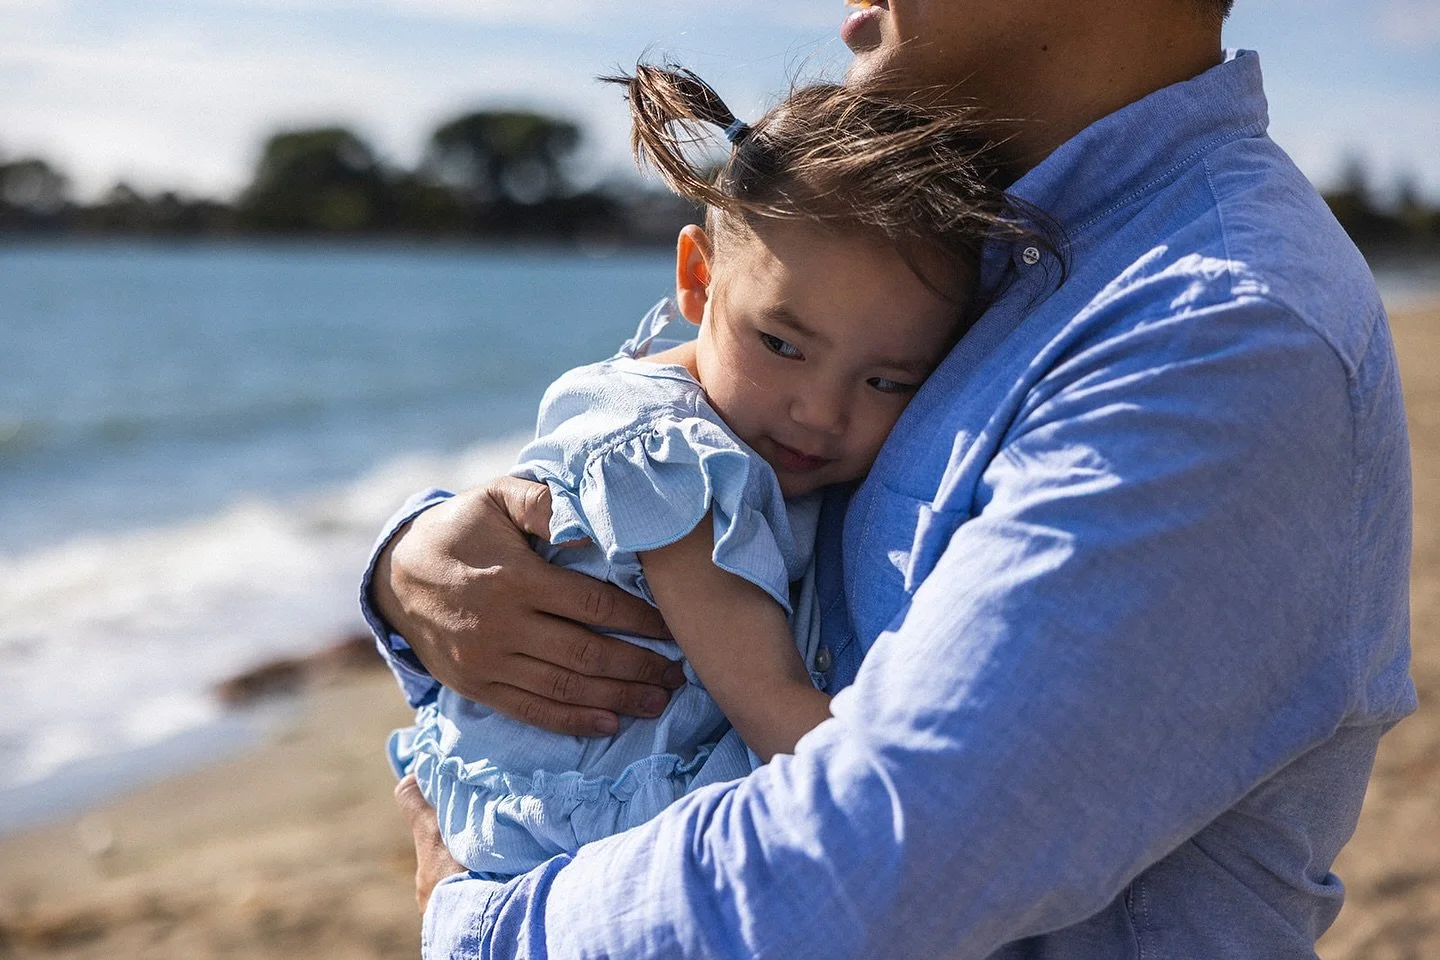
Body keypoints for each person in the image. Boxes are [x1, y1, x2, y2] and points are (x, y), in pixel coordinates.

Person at [368, 0, 1416, 956]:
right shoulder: (962, 247)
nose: (823, 407)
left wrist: (485, 928)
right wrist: (412, 565)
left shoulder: (1216, 330)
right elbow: (669, 420)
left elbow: (884, 855)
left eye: (883, 380)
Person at [385, 65, 1039, 879]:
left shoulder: (744, 421)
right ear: (699, 279)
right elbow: (774, 712)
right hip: (565, 824)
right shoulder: (670, 455)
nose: (820, 413)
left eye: (888, 381)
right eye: (783, 345)